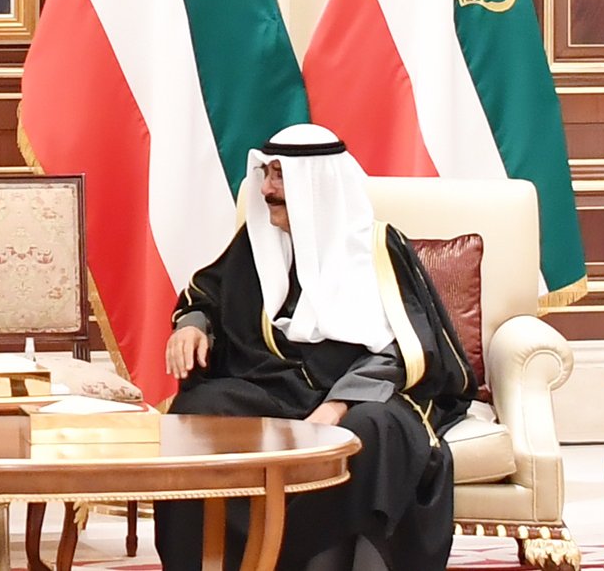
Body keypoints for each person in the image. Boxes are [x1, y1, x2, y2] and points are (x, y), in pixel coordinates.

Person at [154, 124, 477, 571]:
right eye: (265, 174)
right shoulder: (257, 242)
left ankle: (315, 555)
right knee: (200, 412)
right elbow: (208, 295)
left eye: (279, 177)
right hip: (274, 388)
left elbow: (405, 347)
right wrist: (193, 327)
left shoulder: (376, 249)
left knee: (370, 429)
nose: (266, 190)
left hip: (365, 394)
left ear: (316, 185)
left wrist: (338, 405)